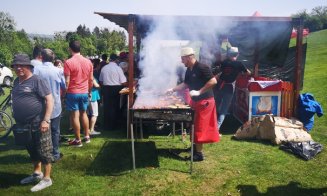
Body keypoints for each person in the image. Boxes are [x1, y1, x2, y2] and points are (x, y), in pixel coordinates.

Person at [167, 47, 220, 161]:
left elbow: (213, 81)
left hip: (205, 102)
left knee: (199, 127)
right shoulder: (189, 70)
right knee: (193, 125)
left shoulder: (202, 67)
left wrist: (199, 91)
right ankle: (194, 148)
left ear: (189, 57)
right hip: (196, 101)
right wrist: (173, 89)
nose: (181, 61)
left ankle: (199, 154)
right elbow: (186, 84)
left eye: (183, 59)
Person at [11, 53, 54, 192]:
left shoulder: (37, 80)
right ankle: (37, 173)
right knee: (32, 150)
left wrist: (46, 120)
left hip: (39, 122)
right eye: (16, 66)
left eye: (21, 66)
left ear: (28, 66)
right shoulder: (17, 81)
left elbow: (49, 99)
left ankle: (47, 179)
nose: (18, 68)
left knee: (44, 151)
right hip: (23, 124)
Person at [34, 49, 66, 161]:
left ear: (41, 57)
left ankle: (42, 153)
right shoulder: (58, 71)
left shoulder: (36, 70)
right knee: (55, 130)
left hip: (41, 104)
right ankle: (55, 153)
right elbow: (63, 86)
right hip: (55, 104)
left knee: (40, 130)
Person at [64, 40, 93, 147]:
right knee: (84, 114)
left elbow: (67, 81)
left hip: (73, 92)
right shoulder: (88, 62)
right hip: (84, 91)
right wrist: (89, 91)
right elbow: (91, 79)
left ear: (70, 49)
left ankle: (78, 140)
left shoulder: (68, 62)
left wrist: (65, 93)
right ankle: (87, 136)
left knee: (75, 116)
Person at [214, 47, 251, 129]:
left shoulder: (223, 63)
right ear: (237, 54)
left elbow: (221, 71)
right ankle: (216, 128)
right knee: (224, 109)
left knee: (216, 106)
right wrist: (241, 71)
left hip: (220, 86)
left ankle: (212, 124)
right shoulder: (239, 64)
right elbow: (248, 73)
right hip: (229, 87)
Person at [99, 53, 127, 130]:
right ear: (116, 60)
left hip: (106, 88)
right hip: (116, 89)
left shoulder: (104, 68)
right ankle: (114, 125)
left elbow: (101, 81)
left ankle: (107, 125)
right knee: (115, 107)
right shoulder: (118, 69)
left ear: (110, 59)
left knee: (107, 107)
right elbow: (123, 82)